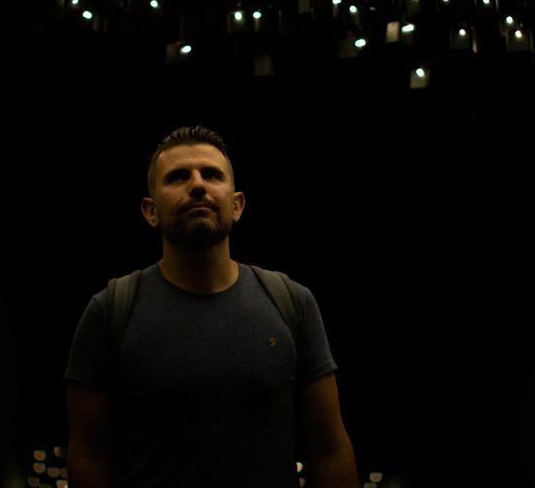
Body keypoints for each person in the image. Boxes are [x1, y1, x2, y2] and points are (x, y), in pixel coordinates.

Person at [64, 125, 358, 488]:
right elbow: (90, 455)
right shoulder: (111, 310)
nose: (198, 185)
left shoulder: (291, 302)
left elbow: (329, 448)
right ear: (150, 210)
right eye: (177, 177)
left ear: (237, 205)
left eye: (211, 174)